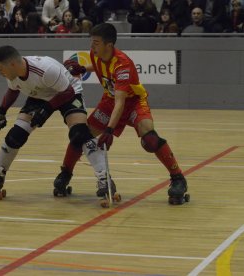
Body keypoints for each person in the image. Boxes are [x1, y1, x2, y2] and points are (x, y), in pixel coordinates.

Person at [59, 23, 189, 205]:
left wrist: (109, 130)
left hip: (133, 103)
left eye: (96, 43)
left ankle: (178, 178)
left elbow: (121, 102)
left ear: (109, 45)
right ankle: (64, 174)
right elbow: (98, 69)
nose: (92, 46)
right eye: (91, 42)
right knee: (80, 136)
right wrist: (82, 69)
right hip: (109, 101)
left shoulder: (123, 65)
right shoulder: (95, 55)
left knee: (150, 139)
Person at [0, 45, 118, 206]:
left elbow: (67, 92)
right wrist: (1, 111)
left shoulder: (45, 69)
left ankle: (104, 178)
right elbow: (13, 90)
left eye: (0, 68)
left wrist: (47, 109)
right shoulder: (12, 73)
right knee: (16, 136)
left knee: (80, 134)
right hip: (39, 96)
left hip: (67, 93)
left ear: (11, 64)